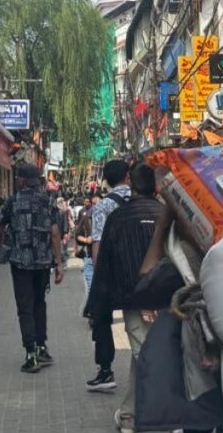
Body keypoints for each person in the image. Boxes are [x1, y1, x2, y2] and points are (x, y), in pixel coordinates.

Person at [87, 163, 164, 433]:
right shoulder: (166, 214)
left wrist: (99, 304)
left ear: (131, 183)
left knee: (144, 356)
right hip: (164, 300)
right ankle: (131, 416)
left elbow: (105, 263)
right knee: (145, 354)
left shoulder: (117, 217)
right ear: (155, 186)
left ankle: (141, 417)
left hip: (133, 300)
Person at [0, 163, 64, 373]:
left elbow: (0, 226)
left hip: (21, 263)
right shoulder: (48, 201)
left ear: (23, 180)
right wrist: (59, 262)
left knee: (24, 307)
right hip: (43, 263)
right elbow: (55, 233)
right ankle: (42, 346)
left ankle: (31, 353)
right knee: (39, 303)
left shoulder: (12, 201)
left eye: (18, 178)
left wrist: (0, 249)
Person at [85, 160, 131, 393]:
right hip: (139, 271)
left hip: (111, 271)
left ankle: (106, 371)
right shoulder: (141, 199)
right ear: (128, 176)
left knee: (101, 319)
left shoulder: (102, 206)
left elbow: (97, 243)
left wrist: (97, 275)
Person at [75, 196, 95, 291]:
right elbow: (78, 233)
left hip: (103, 258)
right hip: (89, 254)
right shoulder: (84, 215)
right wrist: (86, 240)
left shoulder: (108, 216)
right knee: (91, 288)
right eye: (86, 201)